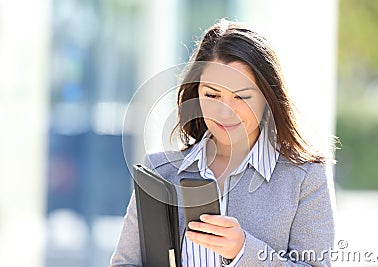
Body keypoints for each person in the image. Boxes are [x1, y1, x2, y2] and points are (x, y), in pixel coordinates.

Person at [110, 19, 336, 267]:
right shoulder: (161, 170)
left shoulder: (304, 177)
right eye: (212, 95)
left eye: (241, 96)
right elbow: (125, 263)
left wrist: (244, 250)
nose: (225, 112)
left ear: (268, 97)